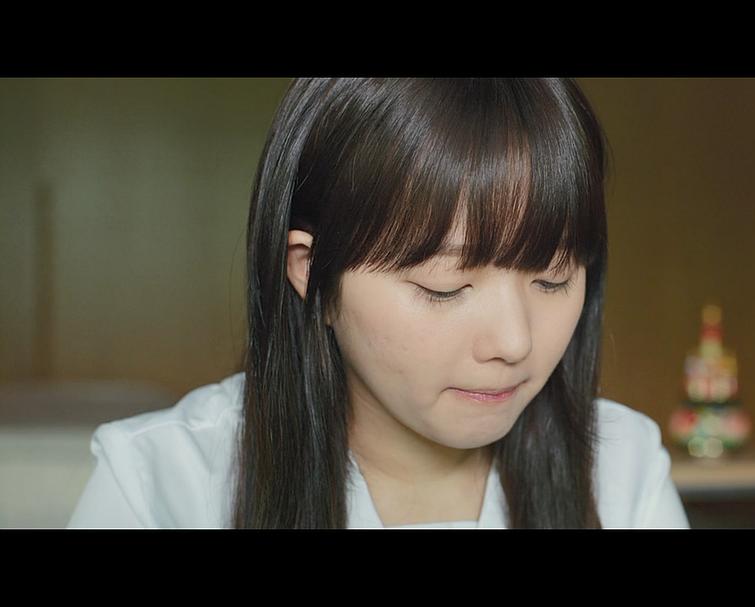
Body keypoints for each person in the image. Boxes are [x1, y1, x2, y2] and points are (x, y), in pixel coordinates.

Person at [67, 78, 690, 529]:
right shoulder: (164, 484)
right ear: (311, 272)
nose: (514, 342)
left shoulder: (621, 470)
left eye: (552, 279)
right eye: (444, 286)